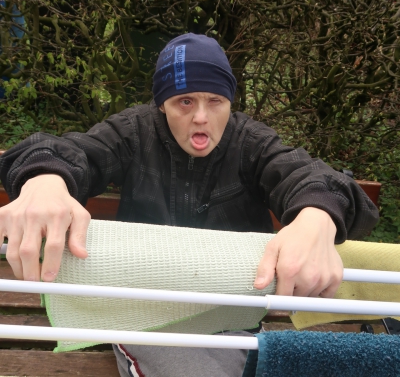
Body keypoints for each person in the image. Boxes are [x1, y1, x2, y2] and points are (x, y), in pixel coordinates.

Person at [0, 33, 378, 376]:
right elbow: (72, 150)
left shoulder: (250, 142)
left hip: (233, 311)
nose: (201, 117)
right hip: (144, 310)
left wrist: (317, 216)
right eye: (185, 101)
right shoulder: (134, 131)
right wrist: (45, 177)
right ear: (162, 104)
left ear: (229, 102)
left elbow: (308, 175)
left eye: (215, 101)